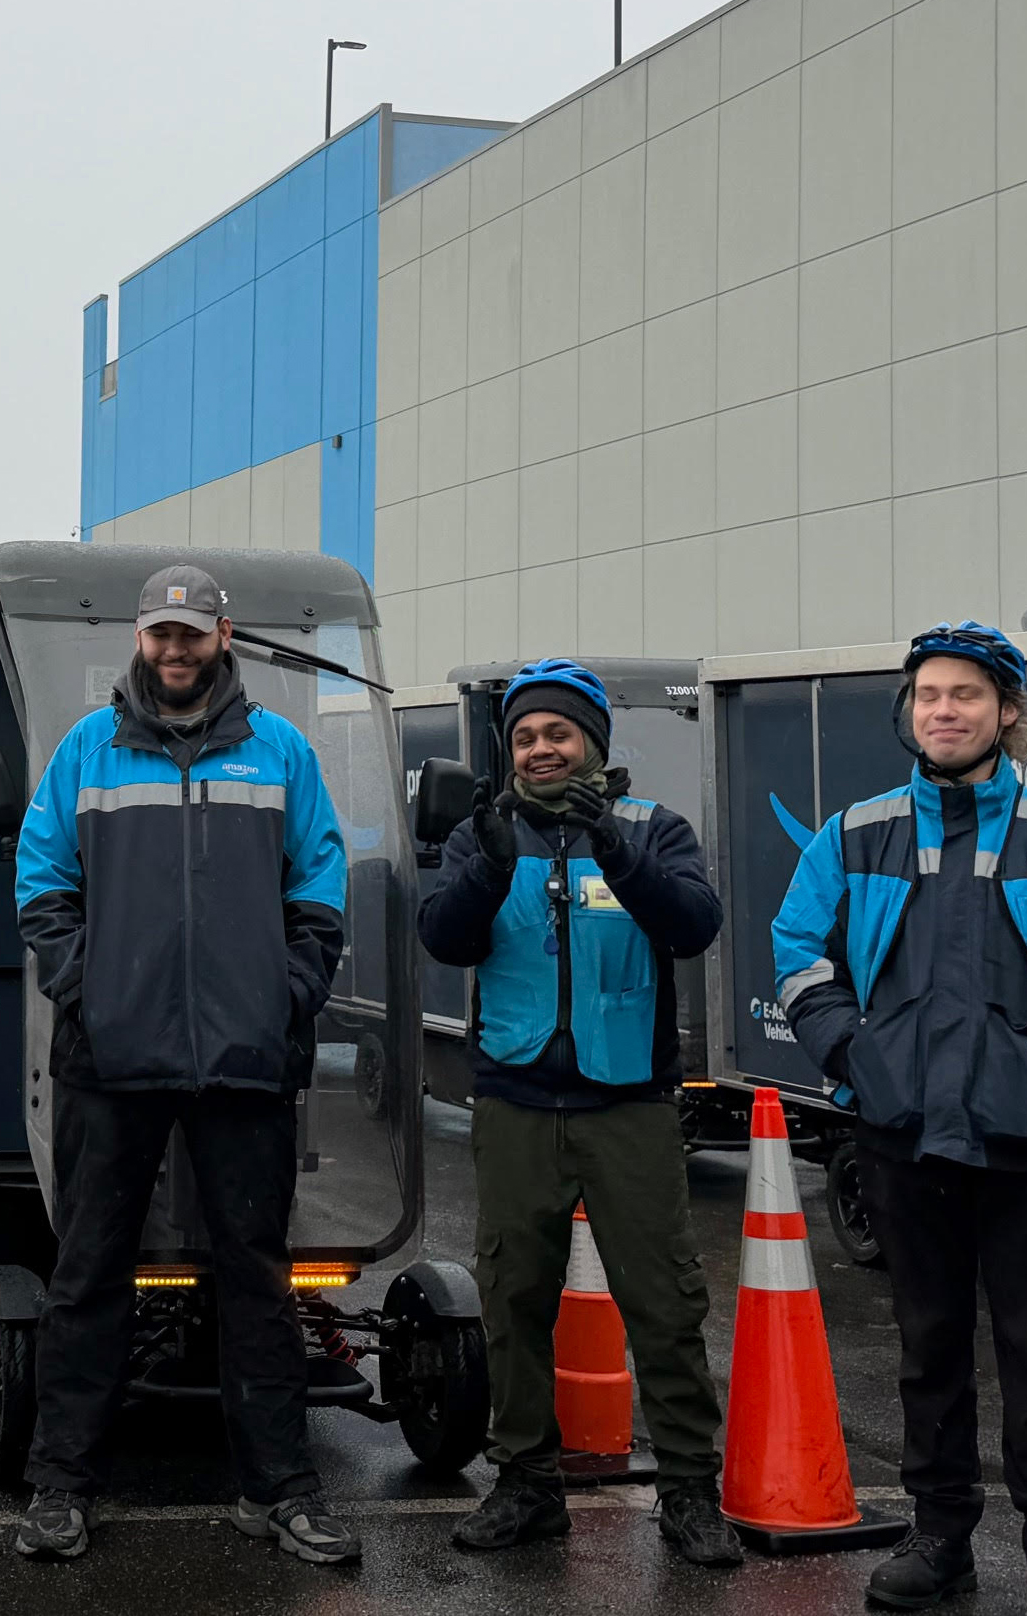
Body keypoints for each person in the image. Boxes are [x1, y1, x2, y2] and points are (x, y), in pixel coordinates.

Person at [773, 622, 1027, 1616]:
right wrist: (856, 1059)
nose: (944, 710)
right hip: (904, 1139)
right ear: (908, 711)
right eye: (928, 694)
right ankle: (941, 1539)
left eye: (966, 694)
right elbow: (798, 952)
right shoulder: (854, 833)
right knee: (930, 1351)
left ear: (1006, 712)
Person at [8, 563, 358, 1566]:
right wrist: (92, 990)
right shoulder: (88, 749)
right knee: (88, 1274)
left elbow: (320, 886)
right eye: (160, 634)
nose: (174, 650)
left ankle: (279, 1491)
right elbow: (40, 886)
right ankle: (61, 1486)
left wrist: (285, 995)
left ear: (222, 637)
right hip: (110, 1057)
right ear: (139, 638)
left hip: (245, 1058)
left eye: (191, 634)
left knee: (257, 1278)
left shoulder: (280, 751)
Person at [415, 660, 743, 1568]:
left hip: (627, 1104)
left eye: (557, 733)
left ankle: (688, 1489)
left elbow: (694, 924)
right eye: (524, 737)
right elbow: (444, 937)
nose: (540, 749)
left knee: (664, 1302)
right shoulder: (486, 832)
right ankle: (526, 1482)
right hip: (517, 1101)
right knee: (512, 1298)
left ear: (592, 742)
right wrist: (485, 864)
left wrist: (618, 853)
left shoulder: (652, 828)